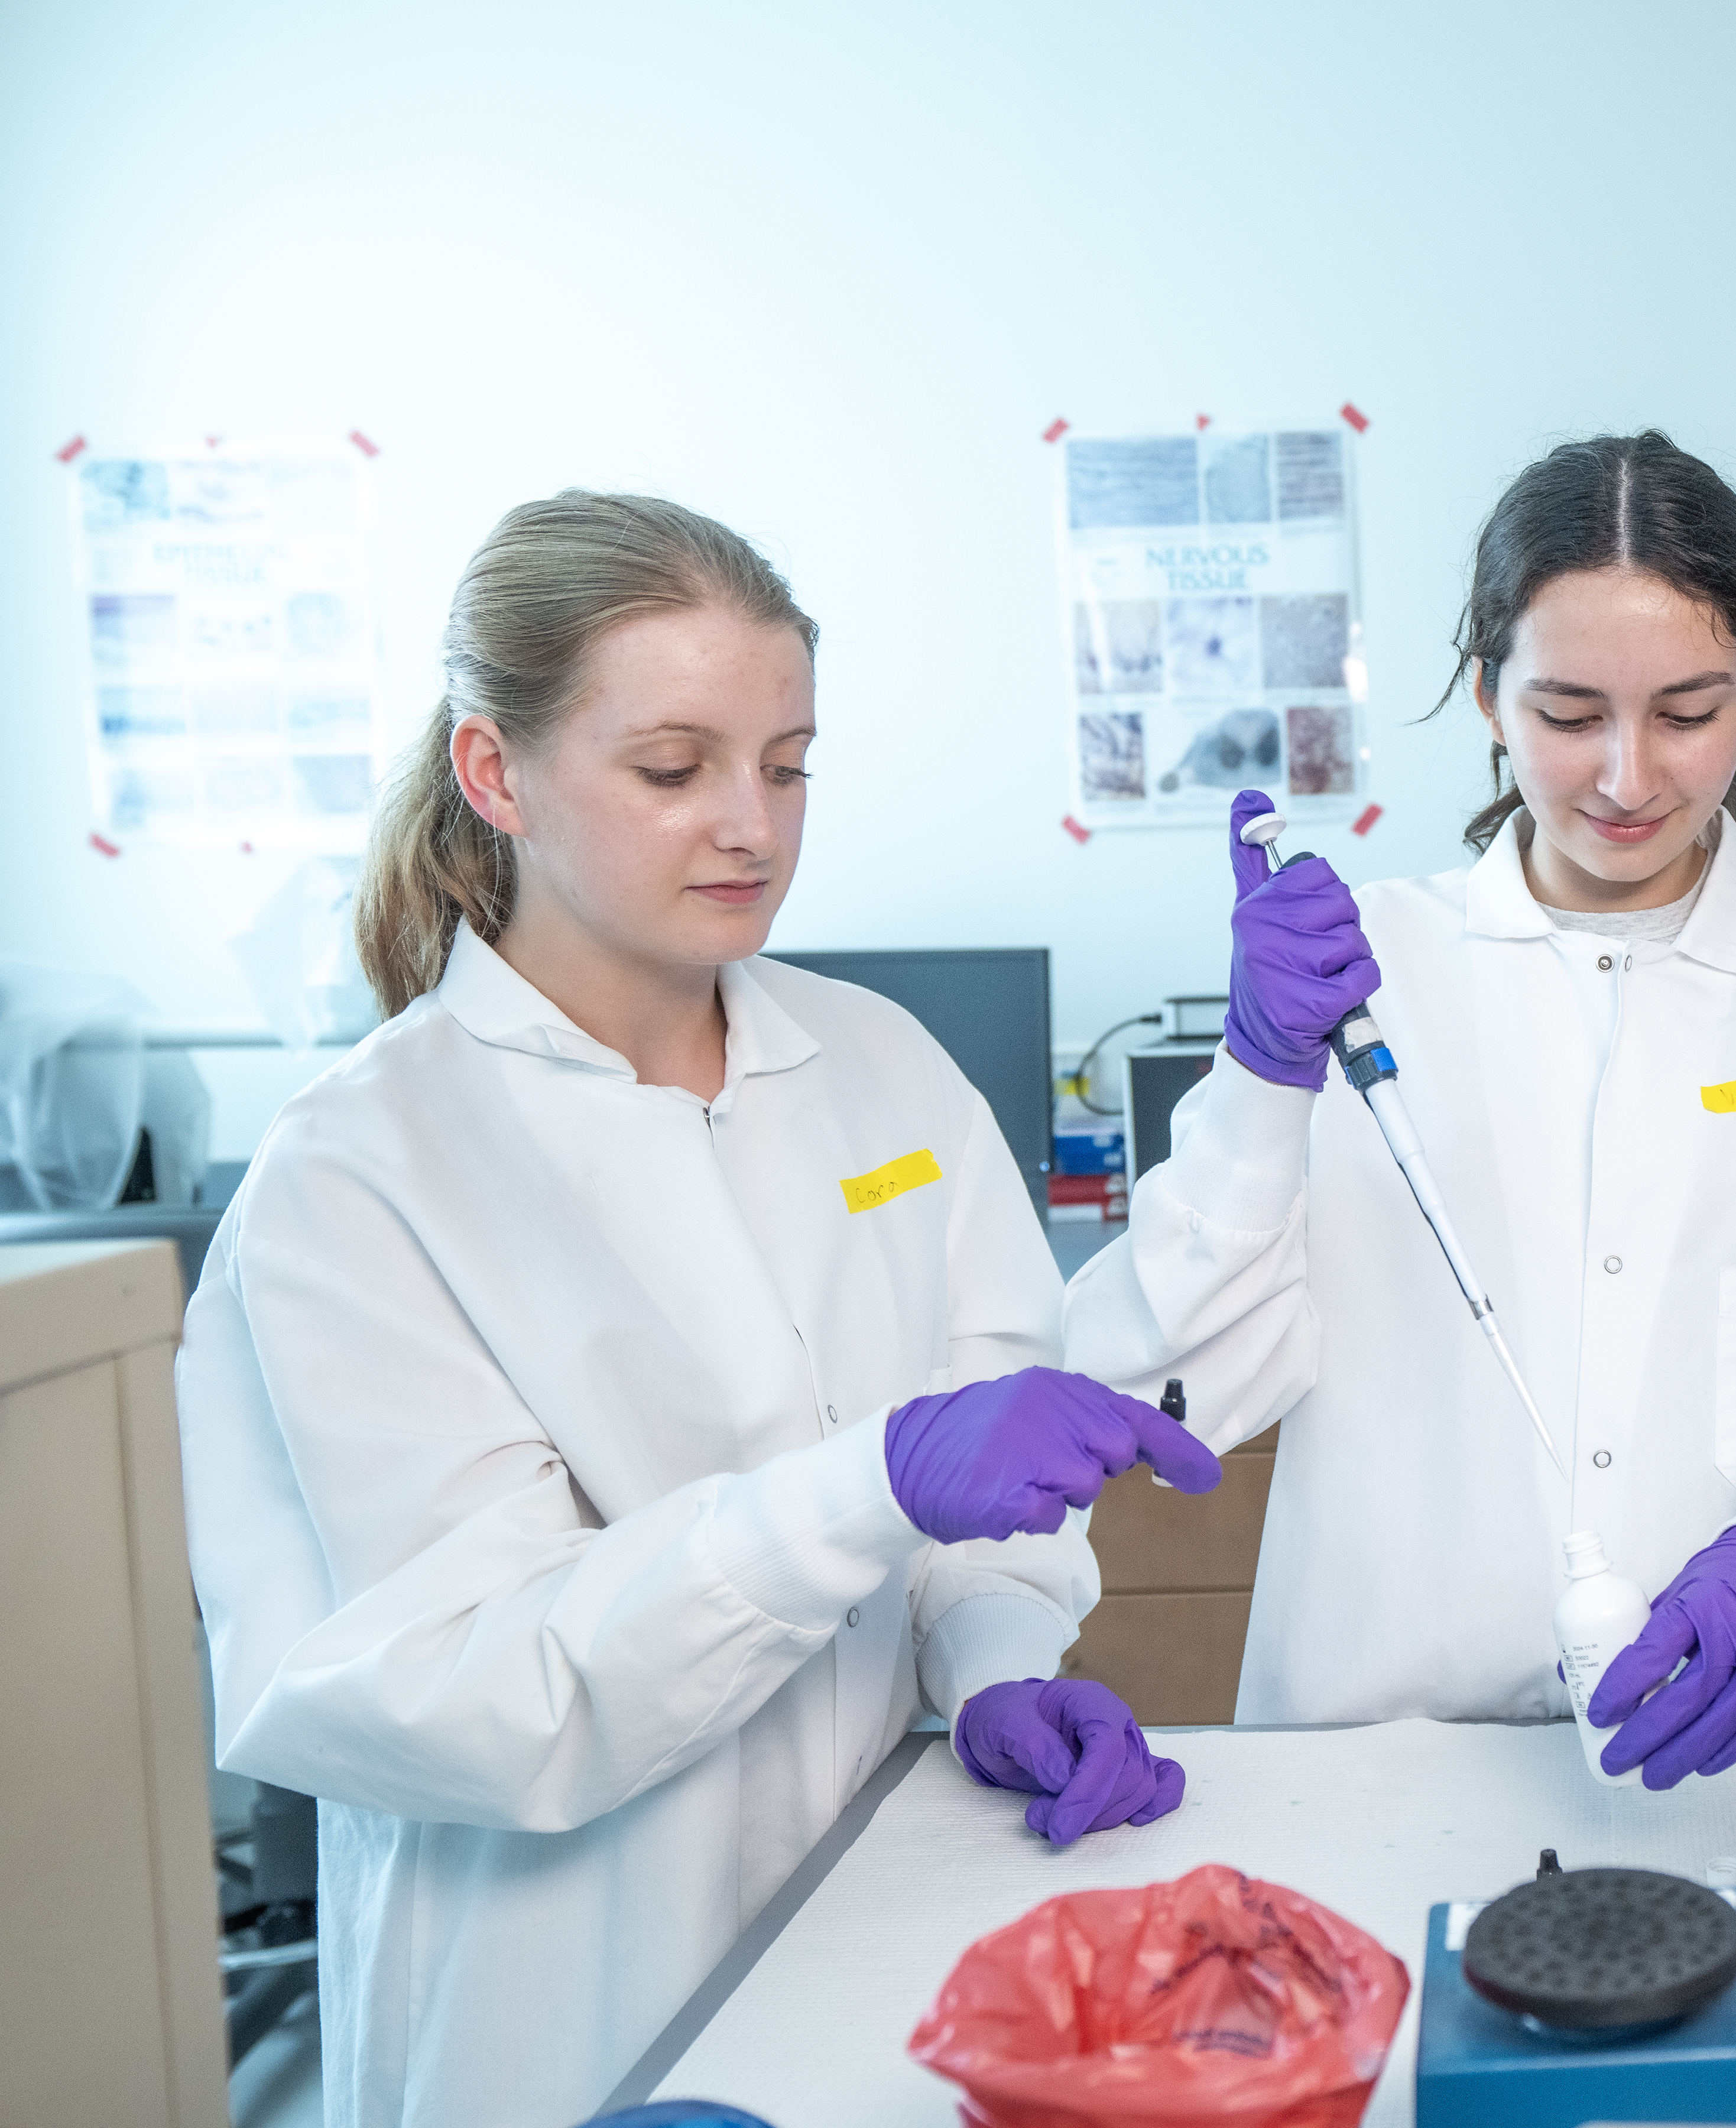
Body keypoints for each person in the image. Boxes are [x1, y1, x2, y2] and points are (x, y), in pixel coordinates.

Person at [177, 493, 1217, 2128]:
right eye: (675, 769)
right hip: (554, 1999)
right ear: (496, 773)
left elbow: (986, 1477)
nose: (754, 824)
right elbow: (471, 1685)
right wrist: (867, 1487)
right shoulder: (359, 1173)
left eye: (789, 763)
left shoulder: (882, 1070)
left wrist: (997, 1654)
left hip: (888, 1917)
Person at [1061, 432, 1736, 1780]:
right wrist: (1257, 1082)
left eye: (1689, 713)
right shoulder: (1361, 979)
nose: (1628, 778)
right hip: (1379, 1751)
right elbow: (1174, 1384)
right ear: (1487, 694)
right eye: (1569, 715)